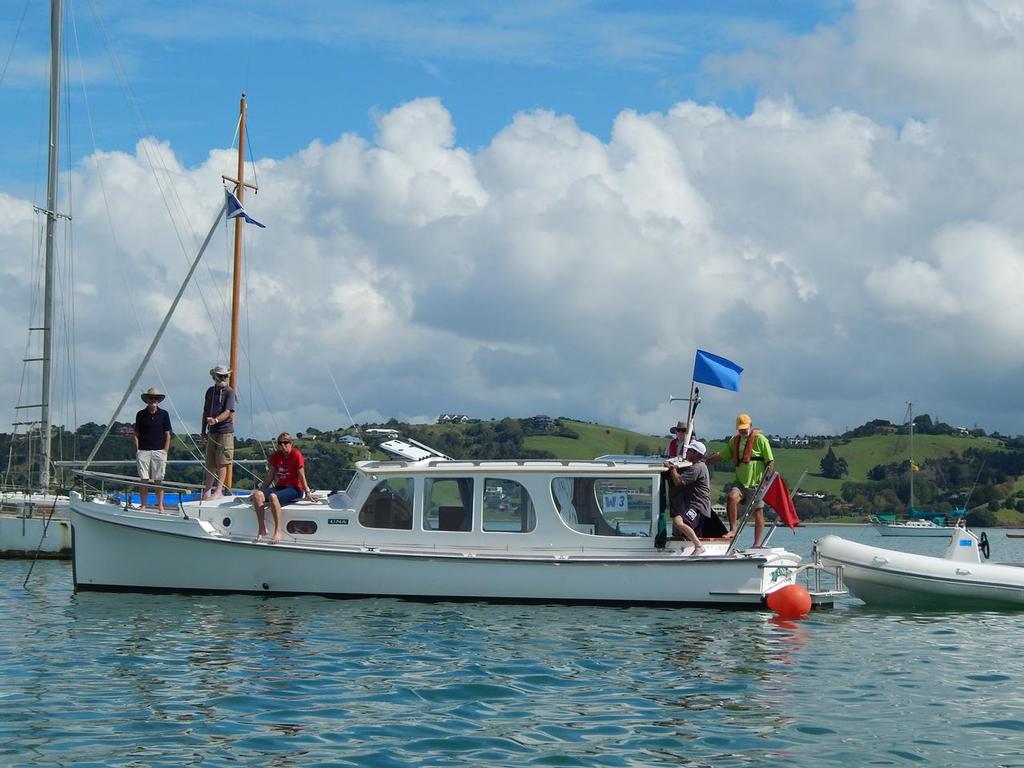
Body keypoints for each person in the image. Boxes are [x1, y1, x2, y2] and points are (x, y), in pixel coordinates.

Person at [706, 413, 775, 546]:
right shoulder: (734, 440)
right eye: (740, 428)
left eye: (745, 428)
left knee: (758, 512)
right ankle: (733, 529)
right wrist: (705, 462)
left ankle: (757, 543)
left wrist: (766, 480)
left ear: (751, 425)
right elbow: (722, 455)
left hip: (757, 483)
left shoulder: (761, 440)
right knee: (732, 497)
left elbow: (770, 462)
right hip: (740, 482)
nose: (743, 430)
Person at [252, 432, 315, 544]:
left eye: (286, 442)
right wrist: (260, 490)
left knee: (273, 496)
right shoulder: (276, 456)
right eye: (280, 443)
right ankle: (262, 529)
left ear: (291, 443)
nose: (283, 445)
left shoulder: (296, 455)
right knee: (258, 495)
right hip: (280, 487)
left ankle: (278, 530)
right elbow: (270, 475)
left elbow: (301, 474)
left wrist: (308, 492)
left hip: (295, 489)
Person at [664, 441, 711, 555]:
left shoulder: (697, 468)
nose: (687, 453)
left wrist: (672, 468)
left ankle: (699, 546)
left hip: (698, 506)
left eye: (689, 451)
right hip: (695, 505)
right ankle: (689, 543)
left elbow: (679, 482)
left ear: (696, 454)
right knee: (679, 522)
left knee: (678, 521)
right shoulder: (698, 466)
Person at [200, 365, 236, 499]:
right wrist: (203, 430)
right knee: (210, 462)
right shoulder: (210, 391)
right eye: (220, 376)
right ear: (214, 376)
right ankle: (207, 491)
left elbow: (228, 412)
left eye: (225, 376)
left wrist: (215, 420)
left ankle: (219, 490)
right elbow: (205, 411)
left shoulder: (230, 392)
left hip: (225, 431)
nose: (223, 378)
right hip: (212, 431)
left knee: (222, 461)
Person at [134, 387, 172, 512]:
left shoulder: (164, 414)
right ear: (147, 400)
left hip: (159, 451)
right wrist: (138, 450)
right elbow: (136, 434)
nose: (153, 400)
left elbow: (167, 434)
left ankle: (160, 505)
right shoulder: (140, 414)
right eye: (151, 398)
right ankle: (143, 505)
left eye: (156, 398)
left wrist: (165, 451)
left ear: (159, 400)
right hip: (143, 451)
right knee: (143, 480)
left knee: (158, 480)